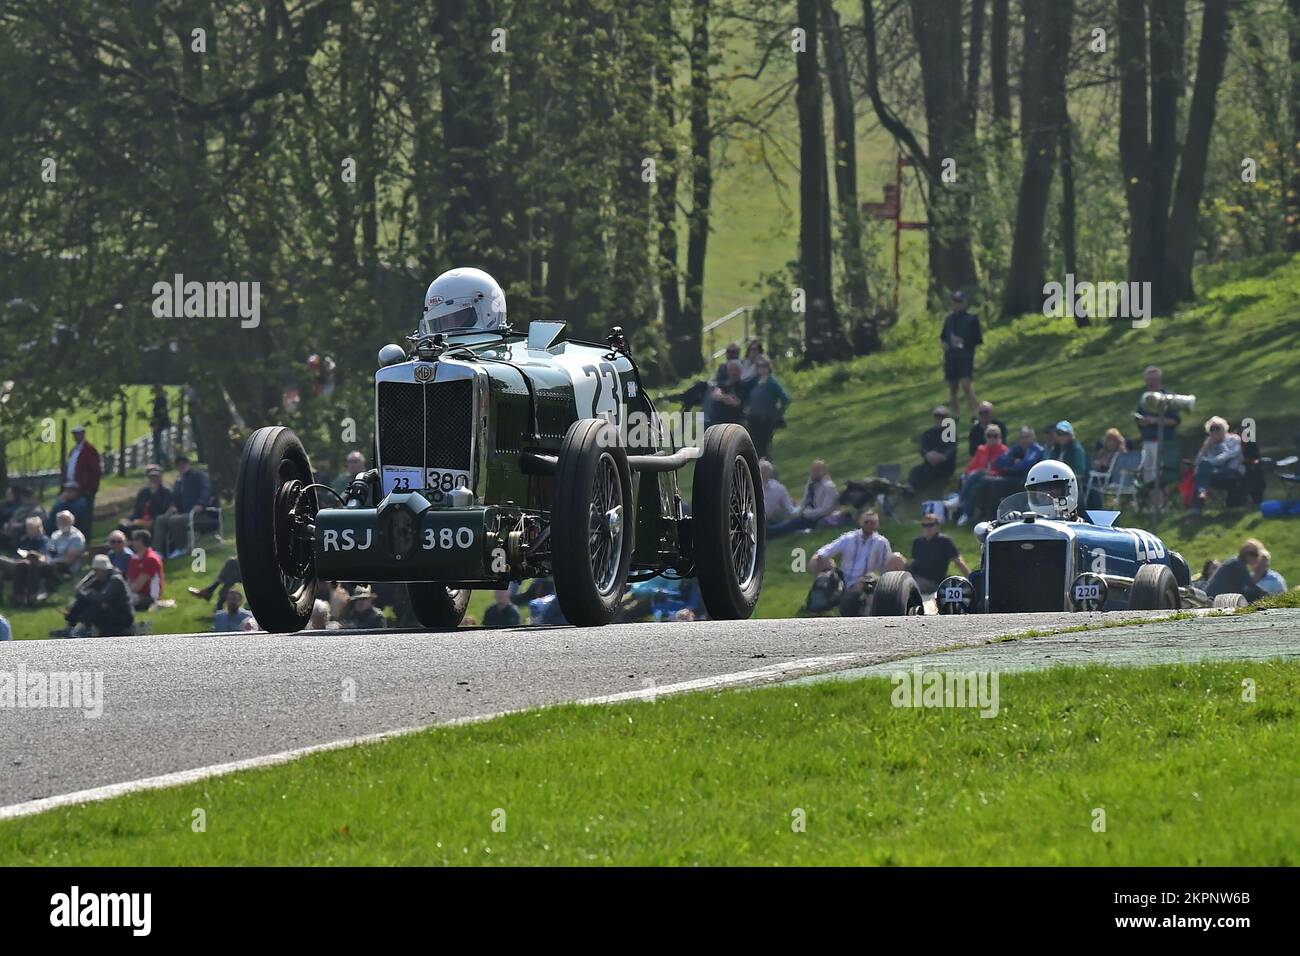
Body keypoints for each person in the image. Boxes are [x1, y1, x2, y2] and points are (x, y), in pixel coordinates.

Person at [809, 511, 893, 617]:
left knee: (869, 579)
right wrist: (816, 559)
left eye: (873, 522)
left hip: (865, 580)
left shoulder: (882, 542)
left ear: (877, 524)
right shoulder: (848, 538)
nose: (869, 525)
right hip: (844, 578)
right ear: (860, 522)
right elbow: (826, 551)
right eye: (866, 522)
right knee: (822, 561)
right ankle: (819, 601)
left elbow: (885, 566)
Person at [1135, 366, 1180, 510]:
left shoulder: (1168, 397)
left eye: (1153, 379)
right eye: (1148, 380)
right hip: (1147, 441)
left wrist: (1154, 421)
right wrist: (1142, 421)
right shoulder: (1145, 398)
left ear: (1159, 379)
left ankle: (1161, 507)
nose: (1150, 382)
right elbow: (1140, 417)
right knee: (1148, 474)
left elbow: (1175, 421)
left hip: (1162, 443)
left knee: (1158, 475)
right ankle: (1153, 507)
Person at [976, 426, 1045, 517]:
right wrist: (1013, 461)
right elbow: (999, 461)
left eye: (1027, 437)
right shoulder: (1016, 449)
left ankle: (992, 515)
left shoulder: (1037, 450)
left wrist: (1010, 467)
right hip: (1012, 477)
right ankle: (985, 514)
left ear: (1033, 438)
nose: (1024, 440)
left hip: (1024, 481)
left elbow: (1025, 465)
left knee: (995, 483)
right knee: (985, 480)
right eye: (1022, 437)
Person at [60, 554, 135, 638]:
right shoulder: (98, 579)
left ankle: (84, 627)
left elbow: (103, 597)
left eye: (99, 570)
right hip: (106, 612)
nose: (96, 573)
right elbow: (80, 591)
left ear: (107, 570)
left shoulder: (116, 579)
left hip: (121, 616)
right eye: (95, 570)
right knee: (83, 601)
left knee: (95, 602)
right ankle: (70, 626)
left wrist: (90, 594)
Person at [153, 454, 211, 558]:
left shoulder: (198, 476)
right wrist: (173, 506)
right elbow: (174, 498)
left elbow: (205, 490)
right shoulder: (179, 481)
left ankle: (181, 548)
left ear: (188, 464)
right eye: (179, 465)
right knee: (160, 519)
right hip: (183, 513)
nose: (181, 466)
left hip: (199, 513)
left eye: (183, 463)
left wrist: (200, 504)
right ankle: (158, 552)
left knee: (174, 520)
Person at [768, 459, 842, 536]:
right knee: (790, 522)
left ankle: (768, 533)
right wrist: (800, 511)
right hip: (808, 515)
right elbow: (805, 501)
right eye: (813, 470)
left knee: (792, 524)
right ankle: (770, 529)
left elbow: (826, 509)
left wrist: (808, 513)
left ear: (823, 472)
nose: (813, 473)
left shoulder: (829, 487)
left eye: (817, 470)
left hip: (819, 518)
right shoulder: (811, 484)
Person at [940, 290, 983, 419]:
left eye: (960, 302)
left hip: (965, 356)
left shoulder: (972, 319)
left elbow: (978, 339)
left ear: (965, 303)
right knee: (953, 388)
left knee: (966, 384)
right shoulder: (949, 319)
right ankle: (955, 415)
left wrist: (964, 342)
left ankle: (975, 413)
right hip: (951, 357)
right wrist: (944, 343)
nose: (957, 305)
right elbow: (943, 336)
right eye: (955, 302)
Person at [1190, 416, 1244, 514]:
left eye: (1218, 428)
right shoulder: (1209, 442)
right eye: (1212, 429)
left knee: (1202, 470)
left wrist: (1221, 444)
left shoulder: (1234, 439)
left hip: (1231, 472)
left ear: (1224, 428)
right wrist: (1206, 447)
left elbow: (1227, 456)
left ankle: (1200, 494)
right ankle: (1198, 502)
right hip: (1214, 474)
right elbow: (1197, 461)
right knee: (1201, 470)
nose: (1215, 431)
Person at [956, 424, 1008, 525]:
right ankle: (967, 513)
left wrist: (986, 472)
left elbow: (1004, 470)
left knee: (980, 473)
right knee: (975, 484)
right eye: (989, 435)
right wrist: (967, 476)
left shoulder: (1004, 451)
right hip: (977, 479)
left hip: (995, 477)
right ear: (985, 437)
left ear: (1000, 437)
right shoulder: (981, 450)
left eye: (995, 435)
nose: (992, 438)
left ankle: (960, 501)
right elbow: (971, 467)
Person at [908, 514, 971, 592]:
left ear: (937, 527)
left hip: (932, 581)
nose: (927, 528)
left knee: (907, 587)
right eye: (924, 525)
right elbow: (915, 562)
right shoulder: (917, 542)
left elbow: (958, 561)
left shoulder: (944, 541)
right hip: (916, 576)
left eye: (931, 525)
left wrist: (971, 578)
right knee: (897, 560)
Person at [745, 357, 790, 458]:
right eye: (759, 366)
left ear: (769, 367)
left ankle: (766, 467)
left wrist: (778, 413)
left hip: (765, 419)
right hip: (753, 418)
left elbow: (786, 398)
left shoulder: (772, 383)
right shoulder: (754, 382)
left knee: (763, 446)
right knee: (753, 445)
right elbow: (749, 396)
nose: (762, 369)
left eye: (764, 366)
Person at [0, 516, 50, 606]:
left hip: (28, 565)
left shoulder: (44, 541)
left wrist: (31, 554)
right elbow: (16, 553)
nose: (29, 531)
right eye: (28, 528)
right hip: (16, 562)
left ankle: (18, 598)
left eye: (31, 528)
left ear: (39, 528)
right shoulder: (24, 539)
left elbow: (43, 556)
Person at [908, 406, 959, 492]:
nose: (939, 419)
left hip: (945, 465)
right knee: (915, 471)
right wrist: (928, 455)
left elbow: (951, 449)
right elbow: (923, 448)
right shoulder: (928, 434)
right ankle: (910, 489)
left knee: (928, 472)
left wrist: (941, 456)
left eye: (942, 417)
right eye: (937, 416)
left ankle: (918, 489)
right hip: (930, 462)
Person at [1204, 539, 1270, 603]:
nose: (1256, 558)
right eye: (1255, 555)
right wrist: (1268, 596)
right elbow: (1251, 586)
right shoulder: (1237, 564)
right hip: (1214, 599)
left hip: (1215, 597)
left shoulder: (1236, 562)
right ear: (1247, 554)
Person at [66, 425, 102, 537]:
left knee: (85, 516)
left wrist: (87, 487)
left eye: (78, 434)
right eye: (74, 434)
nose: (76, 436)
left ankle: (85, 538)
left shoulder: (89, 449)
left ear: (83, 434)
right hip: (72, 487)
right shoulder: (75, 449)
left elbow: (95, 471)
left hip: (84, 489)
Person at [124, 465, 172, 533]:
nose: (154, 480)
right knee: (124, 526)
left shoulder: (166, 492)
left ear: (161, 478)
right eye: (152, 477)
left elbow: (163, 509)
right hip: (141, 519)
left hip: (155, 520)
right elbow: (137, 510)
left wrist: (155, 494)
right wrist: (129, 519)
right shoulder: (143, 492)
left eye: (156, 477)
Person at [127, 529, 165, 610]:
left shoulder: (151, 559)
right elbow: (130, 581)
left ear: (140, 541)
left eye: (133, 540)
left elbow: (138, 585)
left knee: (126, 599)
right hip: (137, 593)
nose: (131, 543)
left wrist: (124, 595)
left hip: (150, 597)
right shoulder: (134, 559)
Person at [706, 360, 750, 427]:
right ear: (728, 371)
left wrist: (723, 397)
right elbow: (716, 395)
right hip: (717, 421)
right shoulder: (722, 384)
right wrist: (728, 398)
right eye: (731, 369)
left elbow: (736, 403)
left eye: (736, 369)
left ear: (741, 371)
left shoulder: (744, 386)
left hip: (734, 422)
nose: (733, 372)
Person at [760, 459, 796, 523]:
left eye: (765, 472)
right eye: (762, 472)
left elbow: (789, 509)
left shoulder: (778, 488)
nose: (763, 475)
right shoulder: (749, 488)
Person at [150, 386, 171, 465]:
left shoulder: (160, 400)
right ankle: (159, 462)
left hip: (159, 425)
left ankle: (164, 461)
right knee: (157, 445)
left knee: (157, 446)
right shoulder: (162, 400)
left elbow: (160, 414)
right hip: (160, 424)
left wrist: (156, 424)